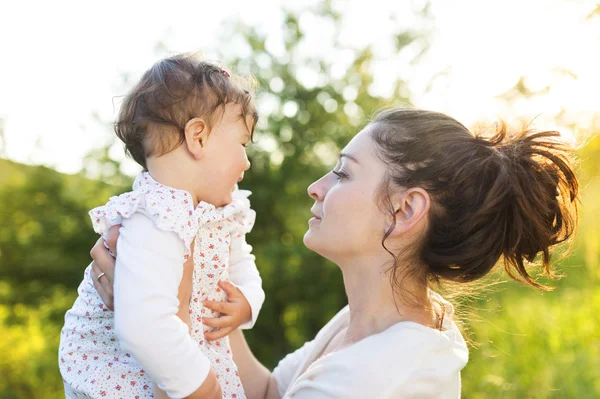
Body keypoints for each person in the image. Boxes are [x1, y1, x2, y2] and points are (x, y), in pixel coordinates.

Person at [91, 108, 579, 398]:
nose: (315, 187)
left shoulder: (376, 378)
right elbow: (268, 394)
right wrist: (198, 303)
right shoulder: (368, 324)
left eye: (343, 173)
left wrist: (155, 320)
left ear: (405, 211)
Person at [59, 54, 266, 399]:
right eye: (242, 144)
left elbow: (243, 266)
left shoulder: (221, 212)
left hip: (175, 361)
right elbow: (143, 324)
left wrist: (248, 302)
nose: (246, 161)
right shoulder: (153, 218)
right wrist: (200, 385)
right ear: (197, 137)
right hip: (123, 374)